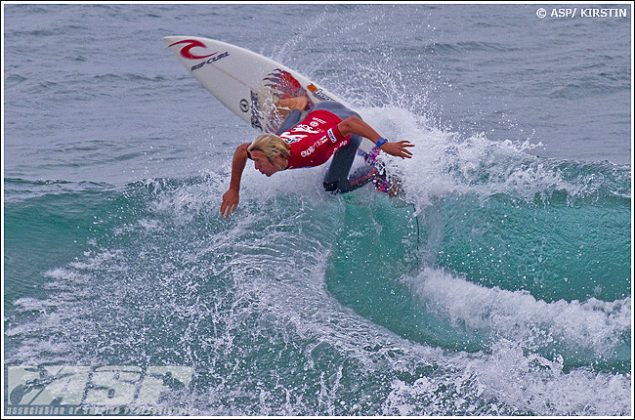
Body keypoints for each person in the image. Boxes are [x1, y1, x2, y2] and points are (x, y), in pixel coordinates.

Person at [220, 96, 414, 217]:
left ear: (276, 156)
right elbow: (240, 151)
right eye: (255, 162)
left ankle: (378, 171)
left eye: (259, 162)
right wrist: (233, 189)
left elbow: (350, 124)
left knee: (332, 187)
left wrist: (384, 144)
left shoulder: (309, 150)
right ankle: (299, 103)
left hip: (346, 125)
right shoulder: (273, 144)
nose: (256, 167)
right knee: (283, 133)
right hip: (322, 108)